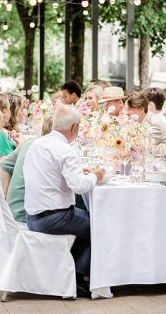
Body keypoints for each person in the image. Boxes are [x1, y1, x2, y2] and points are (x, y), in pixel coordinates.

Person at [23, 104, 104, 298]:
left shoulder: (38, 144)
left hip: (32, 217)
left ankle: (73, 273)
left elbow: (53, 175)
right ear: (74, 128)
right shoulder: (65, 150)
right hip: (55, 218)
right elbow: (79, 187)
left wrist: (80, 172)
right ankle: (79, 275)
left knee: (87, 223)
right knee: (102, 226)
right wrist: (96, 176)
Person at [0, 115, 53, 224]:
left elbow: (5, 163)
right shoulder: (47, 150)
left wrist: (4, 201)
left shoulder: (30, 142)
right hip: (26, 214)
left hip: (13, 209)